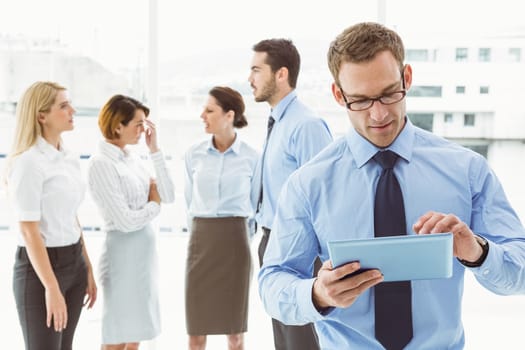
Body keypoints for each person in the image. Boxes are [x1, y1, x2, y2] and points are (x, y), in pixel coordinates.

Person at [258, 21, 525, 349]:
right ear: (338, 95)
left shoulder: (467, 170)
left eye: (388, 94)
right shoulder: (307, 184)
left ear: (407, 78)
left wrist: (477, 251)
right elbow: (273, 283)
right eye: (361, 100)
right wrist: (316, 293)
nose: (379, 114)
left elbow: (520, 271)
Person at [248, 38, 333, 350]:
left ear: (280, 74)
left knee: (301, 341)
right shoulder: (278, 123)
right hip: (272, 241)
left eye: (257, 70)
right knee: (284, 338)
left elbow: (325, 195)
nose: (250, 79)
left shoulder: (305, 125)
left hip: (299, 248)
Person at [5, 81, 97, 350]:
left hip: (74, 263)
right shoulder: (29, 163)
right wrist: (52, 287)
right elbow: (28, 230)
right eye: (64, 106)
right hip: (40, 272)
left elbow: (71, 216)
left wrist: (87, 266)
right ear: (41, 115)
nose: (73, 111)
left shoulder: (67, 157)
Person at [87, 94, 175, 350]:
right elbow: (125, 221)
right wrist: (153, 205)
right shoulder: (101, 163)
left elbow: (167, 195)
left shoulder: (132, 159)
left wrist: (155, 150)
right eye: (138, 124)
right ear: (117, 126)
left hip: (143, 259)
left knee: (135, 334)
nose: (143, 129)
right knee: (117, 334)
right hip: (122, 258)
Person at [184, 86, 259, 350]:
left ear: (229, 115)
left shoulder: (252, 157)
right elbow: (188, 199)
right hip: (201, 239)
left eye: (209, 110)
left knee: (235, 334)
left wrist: (240, 234)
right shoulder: (194, 154)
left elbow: (255, 203)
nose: (202, 115)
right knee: (196, 332)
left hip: (235, 243)